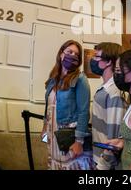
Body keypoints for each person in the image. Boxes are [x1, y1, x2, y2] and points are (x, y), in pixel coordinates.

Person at [42, 40, 94, 170]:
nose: (72, 55)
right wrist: (44, 127)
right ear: (61, 54)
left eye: (76, 54)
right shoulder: (53, 78)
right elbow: (48, 106)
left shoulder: (80, 79)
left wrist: (79, 141)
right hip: (52, 132)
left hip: (68, 135)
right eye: (69, 52)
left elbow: (84, 112)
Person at [90, 42, 126, 170]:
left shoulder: (114, 91)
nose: (93, 60)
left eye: (97, 57)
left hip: (106, 163)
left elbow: (114, 136)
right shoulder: (105, 87)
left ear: (109, 62)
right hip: (98, 156)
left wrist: (104, 163)